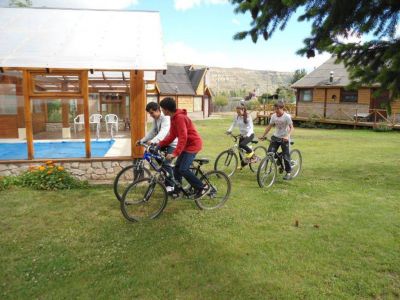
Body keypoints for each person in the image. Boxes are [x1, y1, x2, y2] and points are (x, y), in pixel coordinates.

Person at [157, 97, 209, 199]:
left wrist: (175, 153)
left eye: (162, 109)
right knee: (177, 168)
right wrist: (159, 144)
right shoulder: (173, 118)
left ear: (166, 109)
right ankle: (178, 190)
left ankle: (202, 187)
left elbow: (183, 137)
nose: (162, 111)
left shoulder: (180, 118)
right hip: (186, 146)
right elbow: (172, 136)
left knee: (183, 169)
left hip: (193, 145)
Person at [137, 102, 177, 192]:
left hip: (172, 143)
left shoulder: (166, 118)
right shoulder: (156, 119)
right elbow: (152, 131)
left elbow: (164, 131)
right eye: (149, 113)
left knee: (166, 163)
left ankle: (171, 185)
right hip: (163, 142)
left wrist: (153, 141)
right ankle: (166, 171)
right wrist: (142, 140)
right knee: (152, 152)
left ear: (158, 110)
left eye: (152, 113)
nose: (151, 115)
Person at [259, 101, 294, 180]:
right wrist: (263, 135)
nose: (276, 110)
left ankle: (288, 172)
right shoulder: (274, 116)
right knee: (270, 153)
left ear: (282, 108)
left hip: (284, 138)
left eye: (278, 109)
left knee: (286, 156)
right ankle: (280, 160)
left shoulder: (287, 117)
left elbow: (292, 128)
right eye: (275, 108)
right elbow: (269, 126)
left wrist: (287, 136)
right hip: (275, 136)